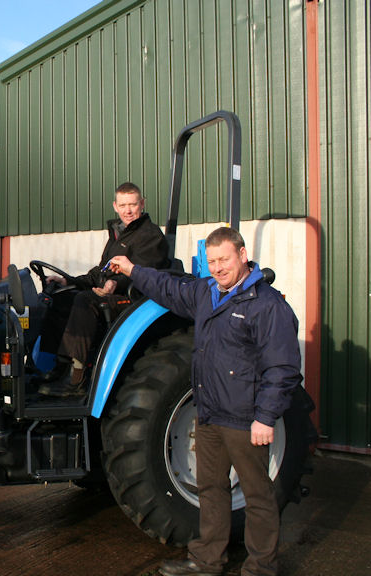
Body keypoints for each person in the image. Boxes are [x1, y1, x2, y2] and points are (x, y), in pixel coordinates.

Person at [108, 227, 302, 576]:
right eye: (212, 261)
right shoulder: (207, 293)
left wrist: (266, 418)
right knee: (211, 488)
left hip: (245, 419)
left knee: (258, 496)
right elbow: (168, 288)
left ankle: (261, 567)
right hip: (209, 414)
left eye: (224, 259)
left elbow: (283, 367)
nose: (217, 267)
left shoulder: (266, 305)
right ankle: (207, 560)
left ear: (242, 256)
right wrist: (132, 270)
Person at [37, 182, 169, 397]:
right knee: (61, 297)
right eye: (123, 205)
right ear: (115, 206)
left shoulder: (150, 236)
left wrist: (116, 283)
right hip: (111, 292)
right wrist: (68, 280)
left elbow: (145, 273)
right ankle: (58, 367)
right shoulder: (118, 235)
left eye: (133, 204)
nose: (128, 210)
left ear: (142, 204)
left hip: (135, 299)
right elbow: (101, 272)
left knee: (85, 301)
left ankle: (76, 378)